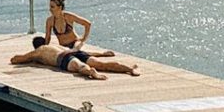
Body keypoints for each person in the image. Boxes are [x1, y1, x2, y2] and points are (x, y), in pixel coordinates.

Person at [8, 36, 141, 78]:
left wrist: (33, 58)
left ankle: (91, 73)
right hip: (73, 51)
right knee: (101, 64)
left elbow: (16, 59)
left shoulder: (39, 51)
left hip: (63, 57)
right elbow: (84, 51)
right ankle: (130, 69)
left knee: (79, 67)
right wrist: (102, 53)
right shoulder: (53, 45)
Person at [44, 0, 114, 59]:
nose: (50, 9)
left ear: (60, 7)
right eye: (50, 6)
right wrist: (44, 49)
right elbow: (47, 37)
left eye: (52, 7)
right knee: (64, 55)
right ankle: (99, 54)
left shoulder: (68, 16)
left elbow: (87, 24)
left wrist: (83, 38)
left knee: (74, 52)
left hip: (75, 43)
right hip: (63, 46)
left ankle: (102, 54)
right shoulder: (50, 21)